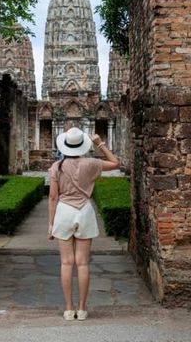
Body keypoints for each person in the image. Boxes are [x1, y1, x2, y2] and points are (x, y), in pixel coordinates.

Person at [47, 127, 119, 321]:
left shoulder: (57, 166)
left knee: (66, 263)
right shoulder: (92, 163)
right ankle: (83, 308)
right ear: (82, 145)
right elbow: (115, 163)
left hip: (63, 211)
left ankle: (69, 309)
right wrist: (99, 143)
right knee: (83, 263)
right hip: (84, 211)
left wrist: (50, 223)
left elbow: (53, 197)